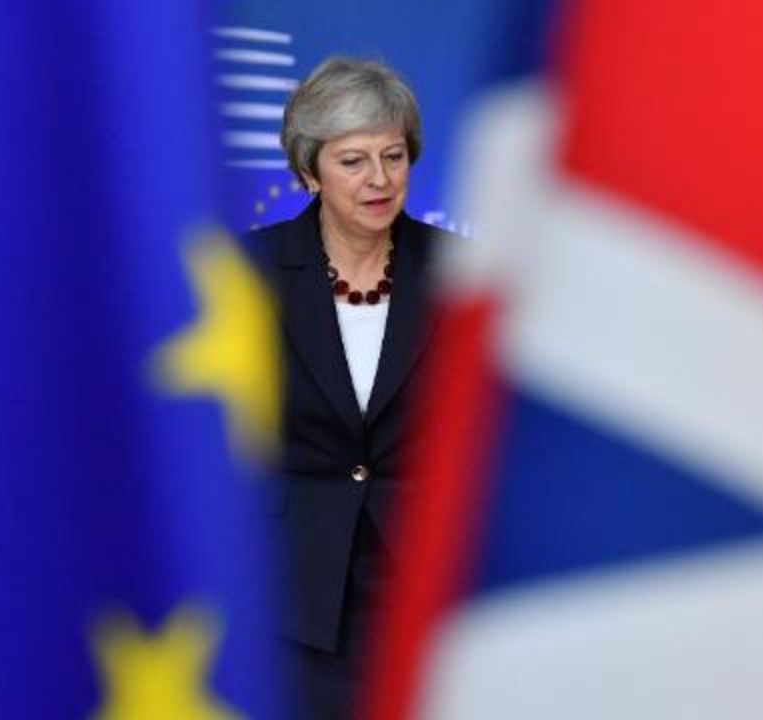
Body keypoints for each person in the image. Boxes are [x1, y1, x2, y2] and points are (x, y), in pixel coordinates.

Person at [251, 57, 454, 720]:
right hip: (295, 596)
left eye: (393, 157)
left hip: (424, 589)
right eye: (353, 161)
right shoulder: (248, 274)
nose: (379, 180)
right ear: (309, 171)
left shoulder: (459, 273)